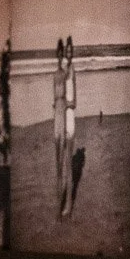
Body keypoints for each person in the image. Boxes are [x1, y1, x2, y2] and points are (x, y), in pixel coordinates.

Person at [51, 38, 68, 214]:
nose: (60, 57)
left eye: (62, 54)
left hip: (63, 111)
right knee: (57, 159)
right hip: (56, 113)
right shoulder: (54, 75)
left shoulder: (64, 74)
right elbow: (53, 99)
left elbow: (67, 97)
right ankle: (58, 204)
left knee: (62, 157)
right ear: (57, 55)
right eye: (59, 54)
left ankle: (62, 204)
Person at [62, 35, 78, 216]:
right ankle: (65, 202)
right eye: (67, 51)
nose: (69, 53)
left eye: (71, 51)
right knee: (64, 162)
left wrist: (69, 104)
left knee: (69, 162)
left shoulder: (73, 69)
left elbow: (75, 100)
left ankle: (68, 205)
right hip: (62, 115)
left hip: (70, 116)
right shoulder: (63, 68)